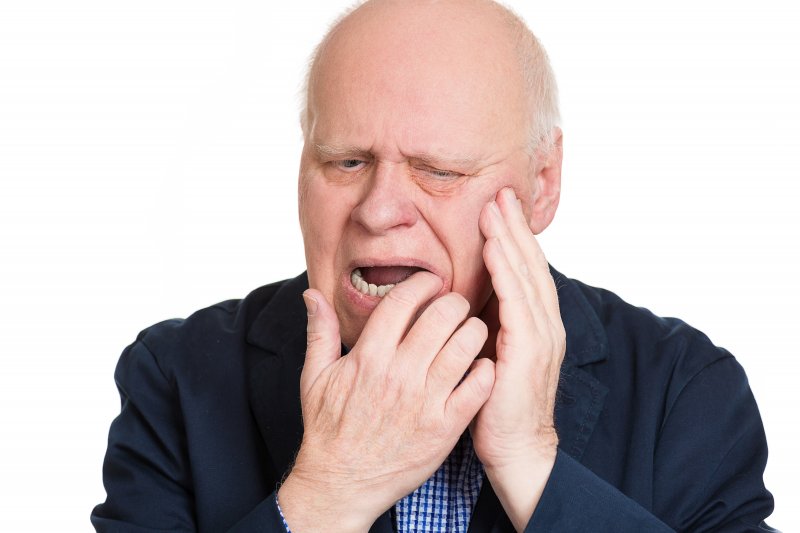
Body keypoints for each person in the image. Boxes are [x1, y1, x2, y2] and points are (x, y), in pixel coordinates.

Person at [92, 0, 776, 531]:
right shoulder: (177, 379)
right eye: (346, 162)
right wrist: (328, 493)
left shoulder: (686, 390)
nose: (380, 208)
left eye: (439, 170)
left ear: (542, 183)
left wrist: (532, 462)